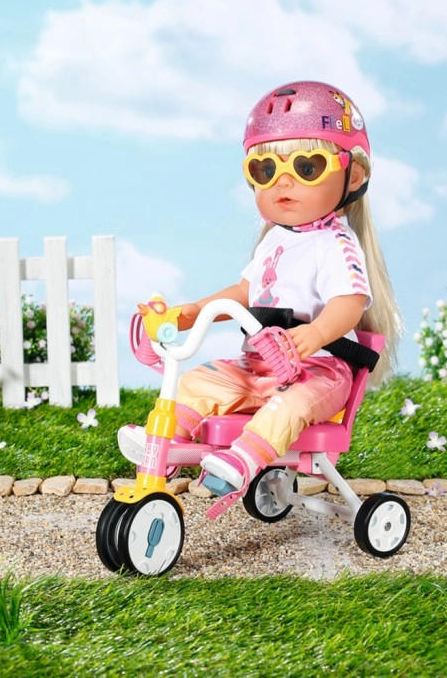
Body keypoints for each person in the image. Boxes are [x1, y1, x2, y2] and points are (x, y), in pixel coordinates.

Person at [120, 80, 400, 501]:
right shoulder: (275, 240)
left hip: (319, 371)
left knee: (290, 405)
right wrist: (193, 311)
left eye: (306, 168)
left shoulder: (336, 246)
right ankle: (171, 445)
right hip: (258, 367)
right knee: (199, 381)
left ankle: (242, 461)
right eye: (265, 171)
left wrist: (313, 335)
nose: (282, 183)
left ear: (353, 175)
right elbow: (244, 291)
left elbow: (349, 304)